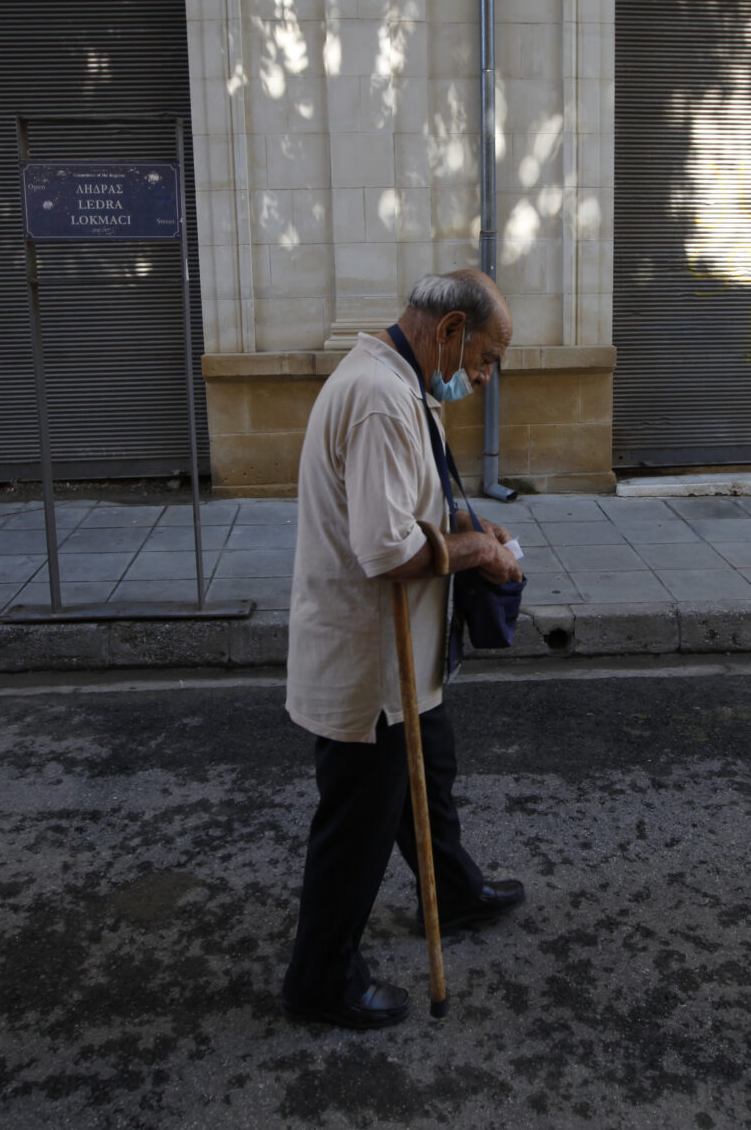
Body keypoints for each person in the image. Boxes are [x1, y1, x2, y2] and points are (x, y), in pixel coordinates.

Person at [279, 269, 529, 1029]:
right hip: (369, 667)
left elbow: (413, 498)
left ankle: (449, 891)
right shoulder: (383, 399)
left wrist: (467, 520)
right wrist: (476, 556)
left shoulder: (404, 382)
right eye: (484, 359)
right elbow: (386, 551)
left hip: (404, 663)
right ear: (450, 330)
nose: (482, 378)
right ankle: (321, 978)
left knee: (432, 772)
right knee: (357, 821)